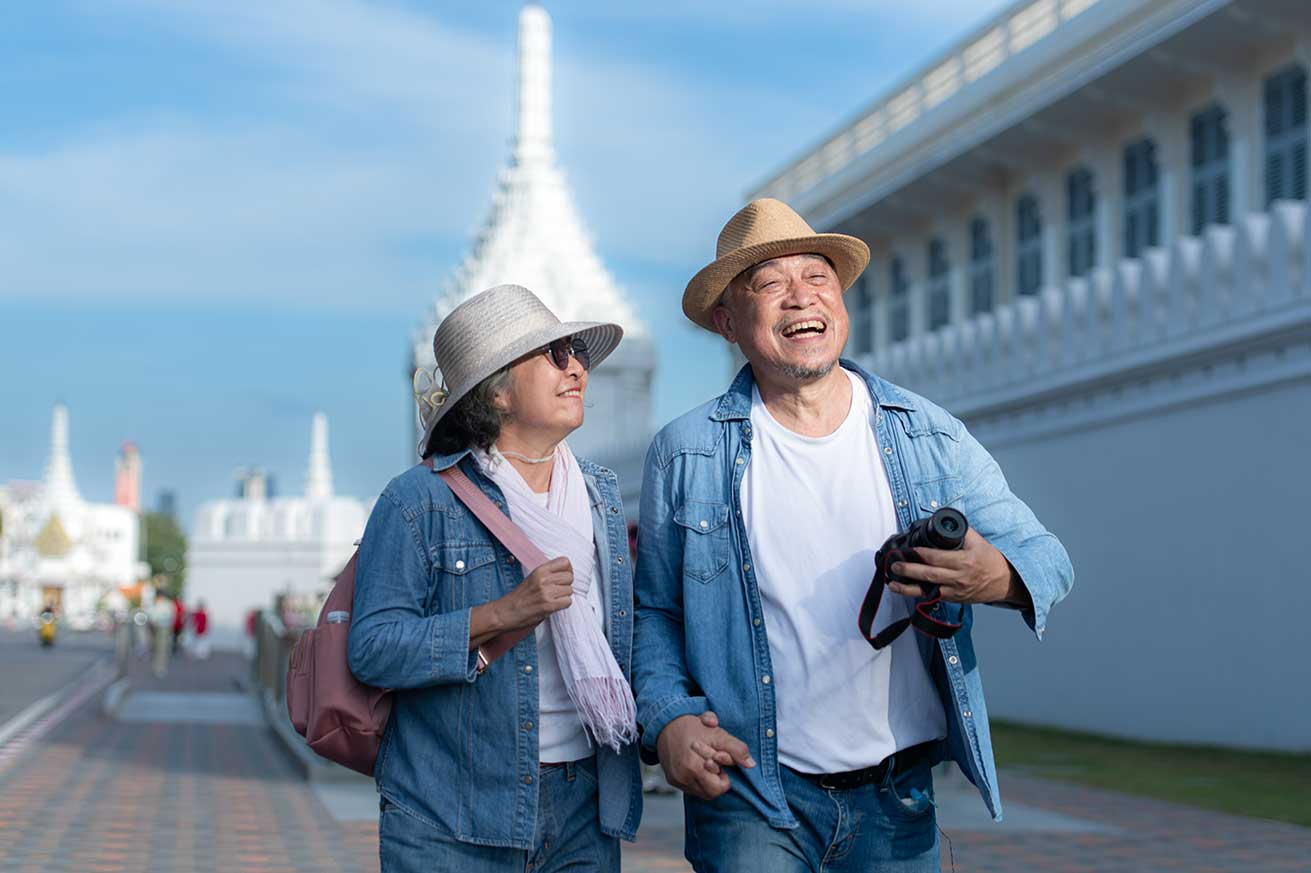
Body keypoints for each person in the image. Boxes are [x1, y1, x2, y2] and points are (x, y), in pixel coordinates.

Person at [633, 199, 1075, 872]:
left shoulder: (925, 433)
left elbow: (1047, 559)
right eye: (768, 283)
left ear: (838, 299)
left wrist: (996, 577)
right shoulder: (686, 450)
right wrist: (668, 717)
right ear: (727, 320)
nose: (799, 297)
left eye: (815, 276)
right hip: (751, 793)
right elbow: (654, 611)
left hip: (897, 801)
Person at [348, 284, 643, 873]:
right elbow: (373, 648)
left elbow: (632, 637)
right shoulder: (420, 499)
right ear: (498, 391)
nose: (577, 368)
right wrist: (502, 614)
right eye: (554, 355)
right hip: (450, 809)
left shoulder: (600, 493)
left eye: (576, 353)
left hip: (583, 802)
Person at [148, 590, 174, 679]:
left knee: (162, 649)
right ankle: (156, 666)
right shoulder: (154, 604)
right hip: (154, 628)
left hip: (163, 628)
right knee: (155, 648)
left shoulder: (167, 604)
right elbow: (150, 615)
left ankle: (160, 668)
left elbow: (170, 616)